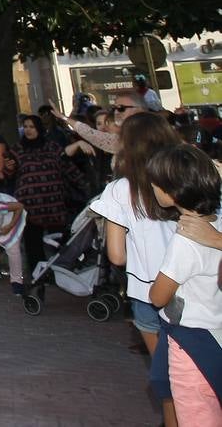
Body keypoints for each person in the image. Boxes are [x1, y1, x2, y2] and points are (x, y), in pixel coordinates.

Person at [90, 112, 183, 426]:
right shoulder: (188, 178)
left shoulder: (120, 190)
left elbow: (116, 255)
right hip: (194, 286)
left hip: (147, 291)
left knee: (168, 377)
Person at [147, 145, 222, 420]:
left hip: (191, 341)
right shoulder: (218, 222)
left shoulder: (186, 239)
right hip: (216, 331)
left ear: (171, 192)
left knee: (198, 412)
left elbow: (159, 296)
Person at [12, 114, 79, 277]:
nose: (28, 130)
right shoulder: (17, 149)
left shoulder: (52, 147)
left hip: (53, 202)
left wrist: (82, 184)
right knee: (33, 242)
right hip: (30, 204)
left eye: (31, 127)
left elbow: (67, 167)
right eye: (25, 126)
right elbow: (10, 172)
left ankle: (62, 271)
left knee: (58, 240)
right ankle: (38, 274)